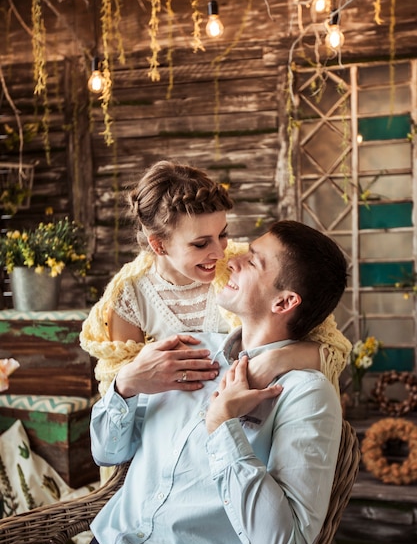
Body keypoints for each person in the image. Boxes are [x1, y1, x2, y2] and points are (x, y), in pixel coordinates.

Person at [0, 220, 347, 544]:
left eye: (253, 261)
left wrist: (223, 427)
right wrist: (125, 386)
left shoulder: (305, 393)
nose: (230, 261)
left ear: (284, 302)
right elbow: (106, 453)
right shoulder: (188, 348)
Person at [80, 160, 351, 397]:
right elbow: (117, 394)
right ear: (159, 245)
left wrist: (275, 360)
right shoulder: (129, 299)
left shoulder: (244, 270)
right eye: (200, 244)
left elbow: (334, 351)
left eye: (223, 233)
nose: (221, 253)